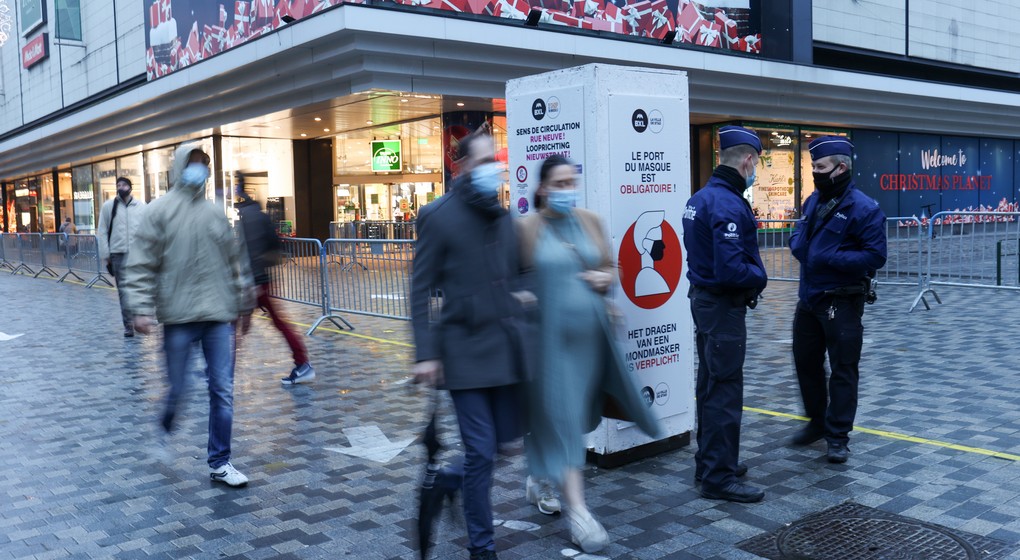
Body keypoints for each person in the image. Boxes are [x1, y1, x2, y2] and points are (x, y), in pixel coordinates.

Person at [517, 155, 660, 553]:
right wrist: (521, 297)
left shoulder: (590, 221)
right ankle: (579, 514)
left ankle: (539, 476)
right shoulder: (526, 229)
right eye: (559, 184)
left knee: (573, 417)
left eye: (571, 183)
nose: (567, 190)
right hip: (549, 347)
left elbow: (611, 267)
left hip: (591, 343)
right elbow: (510, 278)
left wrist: (604, 276)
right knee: (562, 419)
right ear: (543, 188)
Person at [410, 128, 528, 560]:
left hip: (505, 351)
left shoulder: (504, 218)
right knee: (480, 451)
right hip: (462, 351)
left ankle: (448, 480)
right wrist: (425, 354)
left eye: (495, 161)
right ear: (461, 167)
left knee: (503, 445)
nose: (492, 169)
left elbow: (520, 273)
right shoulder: (437, 216)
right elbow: (419, 288)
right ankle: (482, 547)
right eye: (483, 162)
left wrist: (524, 296)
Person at [121, 142, 255, 487]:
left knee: (222, 389)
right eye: (193, 162)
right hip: (179, 318)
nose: (199, 169)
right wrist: (140, 309)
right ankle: (165, 425)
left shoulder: (215, 213)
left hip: (217, 316)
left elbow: (233, 261)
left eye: (203, 163)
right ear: (180, 167)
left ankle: (220, 461)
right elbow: (140, 265)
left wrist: (244, 301)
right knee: (179, 389)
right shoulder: (159, 211)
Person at [681, 125, 768, 503]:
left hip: (704, 302)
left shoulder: (701, 197)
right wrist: (760, 277)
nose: (755, 170)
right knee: (725, 389)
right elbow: (732, 270)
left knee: (710, 384)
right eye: (757, 163)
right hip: (721, 307)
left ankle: (710, 461)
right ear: (747, 160)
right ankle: (719, 476)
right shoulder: (728, 203)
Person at [788, 136, 887, 464]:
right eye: (813, 166)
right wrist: (798, 244)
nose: (814, 172)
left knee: (843, 369)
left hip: (841, 303)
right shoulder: (813, 201)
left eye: (820, 167)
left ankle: (838, 436)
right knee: (806, 364)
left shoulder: (865, 209)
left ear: (840, 168)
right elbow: (799, 235)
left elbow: (876, 256)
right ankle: (817, 422)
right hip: (809, 300)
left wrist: (830, 258)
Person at [234, 178, 315, 385]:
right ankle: (302, 362)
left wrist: (254, 282)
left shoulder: (247, 219)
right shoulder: (258, 215)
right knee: (260, 323)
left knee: (235, 324)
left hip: (255, 282)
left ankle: (221, 369)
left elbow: (250, 252)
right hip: (260, 281)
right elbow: (272, 247)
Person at [97, 177, 145, 337]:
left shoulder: (141, 207)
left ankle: (139, 318)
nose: (121, 187)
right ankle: (128, 324)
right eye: (118, 185)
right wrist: (106, 255)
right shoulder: (109, 206)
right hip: (118, 254)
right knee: (124, 291)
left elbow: (148, 230)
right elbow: (102, 231)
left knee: (138, 287)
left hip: (138, 254)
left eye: (124, 185)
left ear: (130, 187)